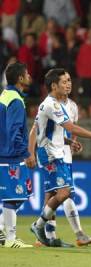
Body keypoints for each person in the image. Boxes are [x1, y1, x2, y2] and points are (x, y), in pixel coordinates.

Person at [29, 68, 91, 246]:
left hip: (60, 152)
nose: (69, 84)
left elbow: (59, 132)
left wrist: (69, 142)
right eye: (64, 81)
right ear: (54, 86)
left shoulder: (69, 105)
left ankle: (47, 233)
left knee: (58, 193)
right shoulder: (51, 104)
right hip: (49, 154)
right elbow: (69, 128)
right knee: (63, 193)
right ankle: (40, 226)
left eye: (69, 80)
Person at [0, 62, 33, 248]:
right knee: (14, 196)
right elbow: (14, 130)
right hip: (10, 155)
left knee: (20, 194)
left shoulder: (6, 95)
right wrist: (25, 153)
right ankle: (11, 240)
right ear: (20, 78)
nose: (29, 75)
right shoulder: (15, 100)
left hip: (6, 153)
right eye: (26, 73)